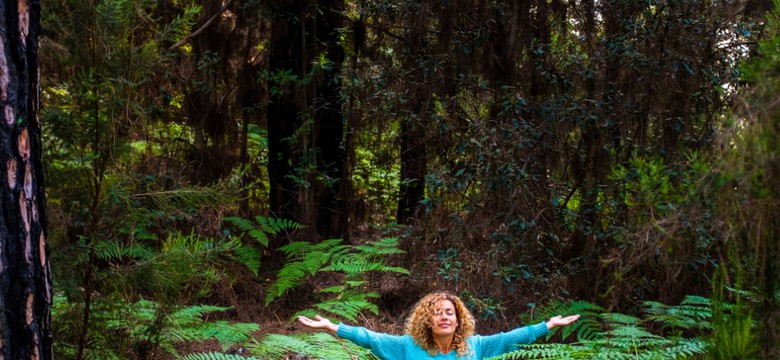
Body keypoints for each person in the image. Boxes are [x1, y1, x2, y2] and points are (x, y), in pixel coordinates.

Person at [297, 291, 580, 359]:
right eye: (437, 313)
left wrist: (548, 325)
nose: (444, 316)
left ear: (458, 320)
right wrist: (332, 327)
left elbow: (509, 338)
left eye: (449, 312)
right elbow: (371, 338)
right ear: (427, 321)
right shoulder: (408, 347)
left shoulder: (474, 347)